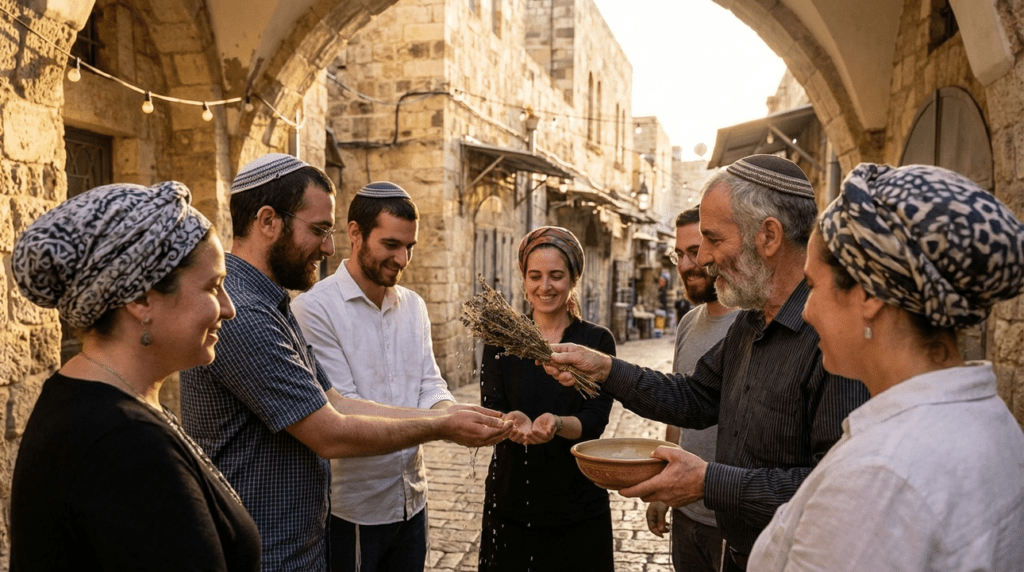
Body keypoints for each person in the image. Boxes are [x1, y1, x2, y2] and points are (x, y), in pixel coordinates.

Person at [180, 154, 512, 571]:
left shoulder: (272, 304)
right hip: (266, 554)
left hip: (296, 546)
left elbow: (336, 402)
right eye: (318, 230)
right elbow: (331, 434)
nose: (328, 247)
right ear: (267, 221)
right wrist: (442, 425)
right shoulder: (245, 314)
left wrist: (454, 413)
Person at [543, 155, 870, 571]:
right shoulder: (750, 323)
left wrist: (707, 481)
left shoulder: (829, 342)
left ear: (768, 236)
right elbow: (695, 397)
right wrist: (605, 369)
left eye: (713, 240)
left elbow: (834, 489)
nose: (705, 259)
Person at [749, 164, 1024, 571]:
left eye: (812, 285)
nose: (805, 312)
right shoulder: (991, 421)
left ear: (869, 294)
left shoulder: (879, 476)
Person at [9, 182, 260, 571]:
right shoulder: (124, 446)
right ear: (141, 300)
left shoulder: (93, 403)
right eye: (213, 287)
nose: (229, 308)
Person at [292, 181, 451, 572]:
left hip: (413, 500)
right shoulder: (315, 309)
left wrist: (452, 413)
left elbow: (429, 383)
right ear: (354, 233)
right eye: (391, 244)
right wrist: (446, 423)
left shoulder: (413, 305)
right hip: (355, 511)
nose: (402, 258)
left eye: (410, 247)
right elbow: (343, 410)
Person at [478, 226, 617, 572]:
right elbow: (492, 405)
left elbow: (594, 421)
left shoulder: (596, 342)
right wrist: (512, 421)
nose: (545, 287)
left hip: (578, 503)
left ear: (572, 279)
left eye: (556, 276)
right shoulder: (501, 340)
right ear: (524, 280)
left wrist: (555, 425)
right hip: (511, 498)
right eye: (535, 276)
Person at [647, 207, 738, 572]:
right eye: (679, 254)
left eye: (696, 251)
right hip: (685, 513)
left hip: (730, 519)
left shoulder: (750, 324)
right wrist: (662, 488)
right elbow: (678, 411)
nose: (687, 264)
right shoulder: (687, 323)